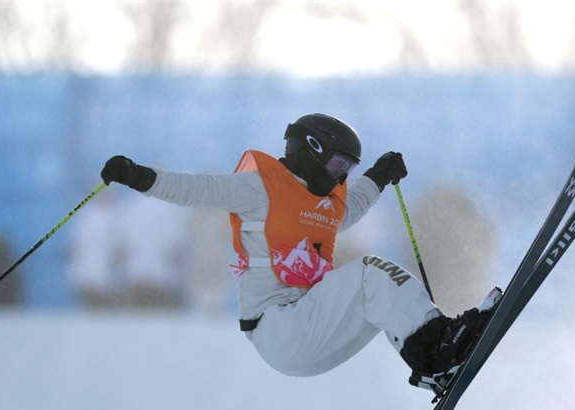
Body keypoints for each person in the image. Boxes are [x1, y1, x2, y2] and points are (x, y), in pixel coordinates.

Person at [100, 113, 492, 391]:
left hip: (308, 327)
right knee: (371, 272)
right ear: (311, 150)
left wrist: (380, 174)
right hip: (278, 327)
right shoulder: (259, 188)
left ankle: (434, 362)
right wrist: (138, 176)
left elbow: (352, 205)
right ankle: (439, 348)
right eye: (339, 164)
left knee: (376, 297)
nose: (342, 175)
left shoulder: (323, 205)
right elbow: (197, 189)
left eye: (348, 169)